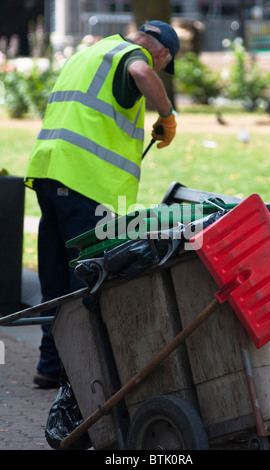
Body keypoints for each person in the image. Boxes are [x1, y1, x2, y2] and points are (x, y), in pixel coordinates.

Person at [24, 20, 180, 388]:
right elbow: (141, 70)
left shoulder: (91, 52)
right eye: (164, 65)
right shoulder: (134, 56)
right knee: (86, 279)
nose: (159, 68)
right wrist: (167, 114)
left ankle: (51, 366)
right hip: (84, 182)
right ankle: (81, 374)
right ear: (164, 54)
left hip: (49, 172)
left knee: (55, 277)